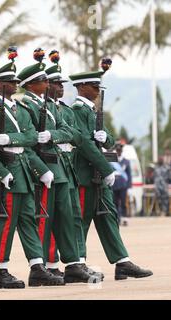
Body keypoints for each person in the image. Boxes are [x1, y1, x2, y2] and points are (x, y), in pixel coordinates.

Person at [0, 49, 65, 288]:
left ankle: (37, 266)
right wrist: (1, 173)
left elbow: (30, 138)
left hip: (24, 172)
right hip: (7, 172)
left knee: (28, 219)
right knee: (6, 221)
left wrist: (12, 140)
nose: (15, 84)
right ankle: (0, 268)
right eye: (10, 81)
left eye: (16, 81)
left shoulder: (20, 109)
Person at [69, 65, 153, 280]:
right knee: (81, 218)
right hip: (85, 173)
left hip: (98, 173)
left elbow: (110, 139)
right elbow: (85, 145)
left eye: (99, 85)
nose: (97, 90)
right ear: (81, 87)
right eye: (94, 85)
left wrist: (103, 137)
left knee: (108, 215)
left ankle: (121, 261)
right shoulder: (77, 111)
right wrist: (107, 168)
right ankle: (77, 263)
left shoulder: (92, 111)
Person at [17, 49, 94, 283]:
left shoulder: (49, 107)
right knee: (44, 219)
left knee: (66, 218)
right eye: (44, 80)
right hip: (43, 170)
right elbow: (28, 145)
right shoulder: (26, 107)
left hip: (59, 169)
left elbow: (67, 131)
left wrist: (50, 135)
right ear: (31, 85)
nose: (48, 83)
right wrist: (41, 170)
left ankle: (72, 264)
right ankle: (40, 268)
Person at [44, 51, 104, 280]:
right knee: (53, 218)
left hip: (67, 168)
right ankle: (50, 264)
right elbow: (72, 136)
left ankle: (75, 261)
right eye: (56, 83)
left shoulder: (65, 110)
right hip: (53, 166)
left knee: (71, 218)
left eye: (62, 83)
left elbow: (76, 137)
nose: (61, 87)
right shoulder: (50, 109)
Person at [111, 143, 132, 225]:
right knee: (115, 203)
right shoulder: (112, 161)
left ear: (122, 151)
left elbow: (129, 174)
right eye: (117, 150)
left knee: (123, 203)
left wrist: (129, 187)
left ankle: (124, 218)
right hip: (114, 184)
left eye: (120, 150)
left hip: (123, 185)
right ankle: (117, 218)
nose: (119, 151)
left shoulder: (126, 161)